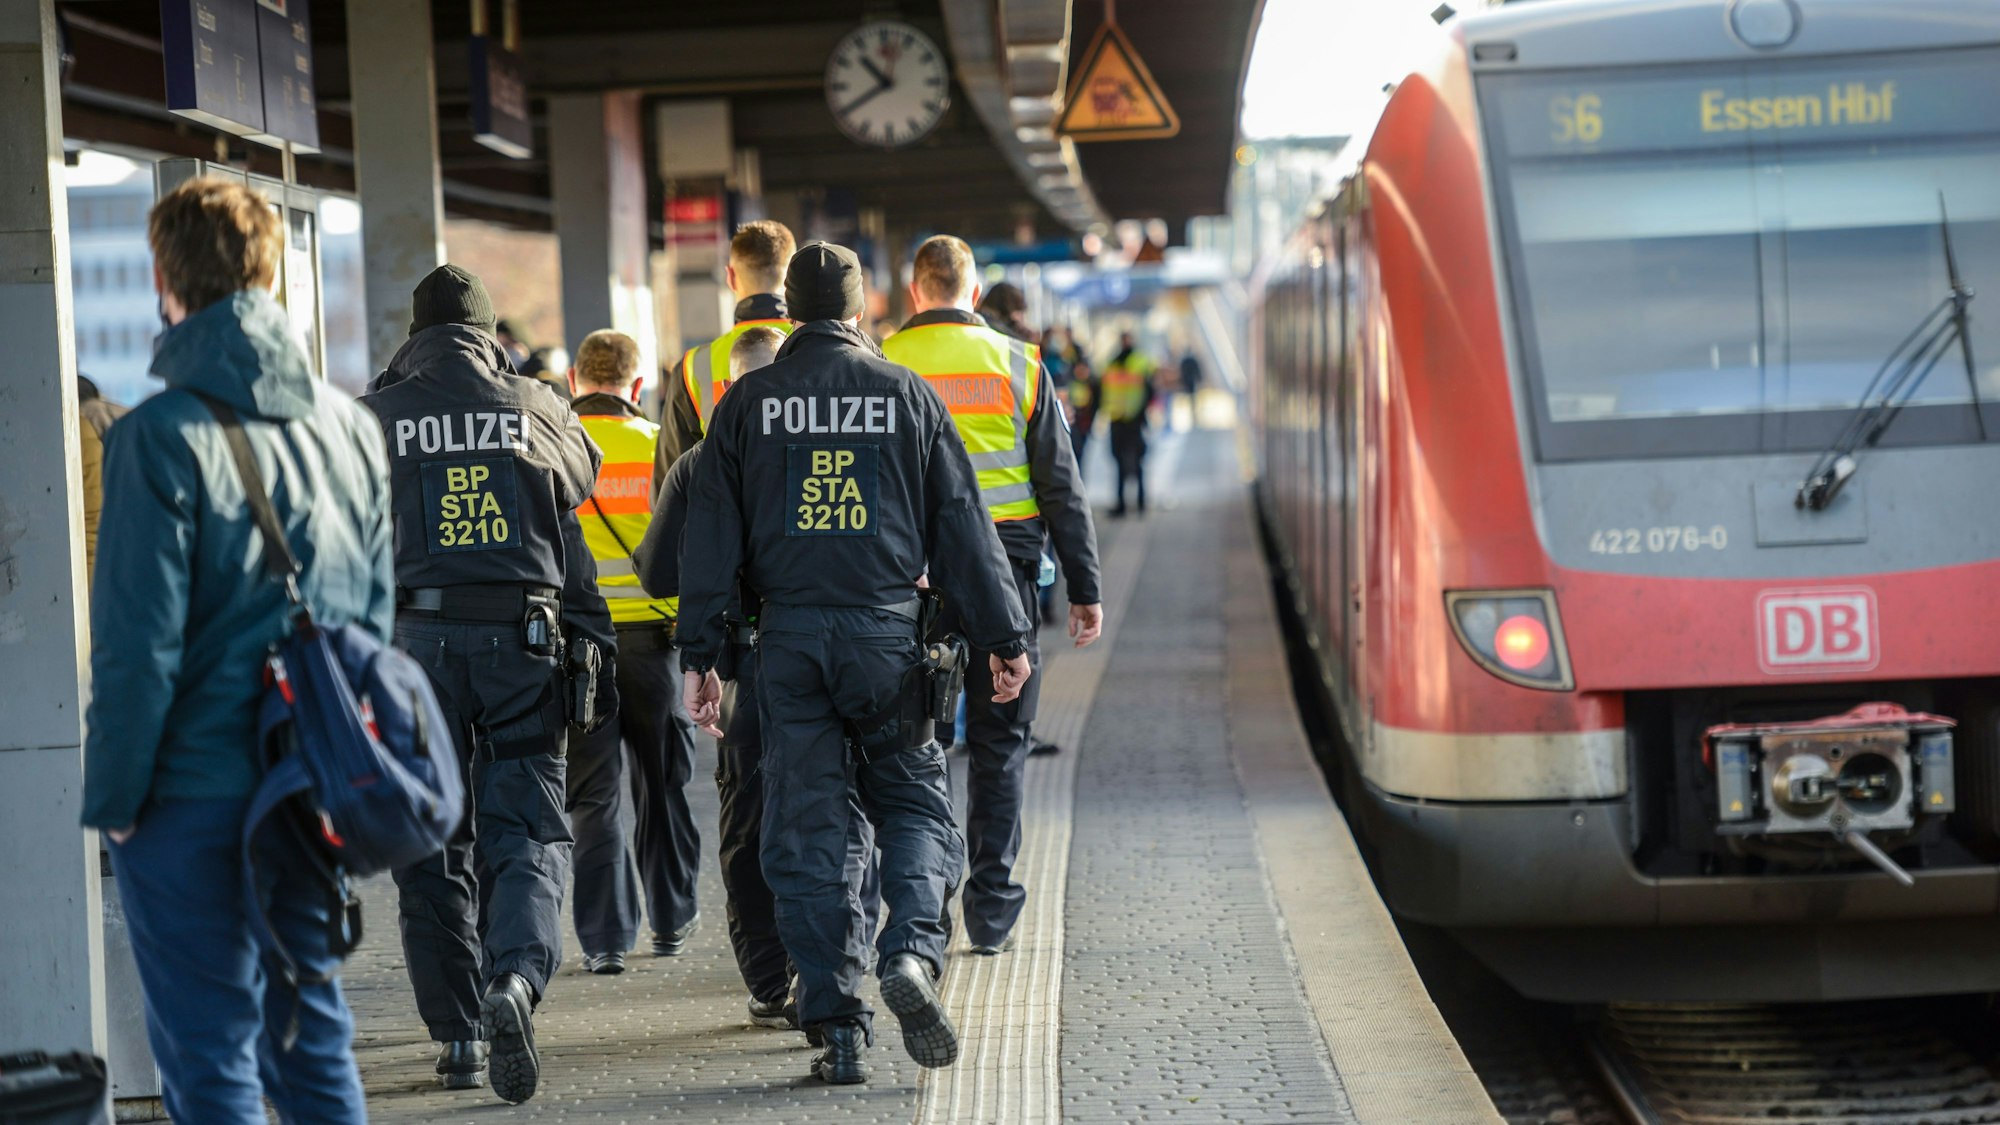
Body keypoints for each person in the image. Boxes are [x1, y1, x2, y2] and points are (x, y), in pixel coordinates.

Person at [677, 242, 1034, 1084]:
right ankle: (910, 950)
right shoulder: (905, 395)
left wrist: (704, 654)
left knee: (808, 829)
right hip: (887, 639)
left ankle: (837, 1023)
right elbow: (961, 523)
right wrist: (1005, 637)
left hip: (789, 646)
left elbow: (709, 539)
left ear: (789, 310)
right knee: (913, 804)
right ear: (860, 309)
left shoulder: (746, 403)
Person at [81, 175, 393, 1125]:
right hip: (303, 787)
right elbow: (373, 626)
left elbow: (138, 647)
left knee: (211, 1055)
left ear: (165, 279)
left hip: (189, 797)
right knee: (310, 1038)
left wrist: (116, 803)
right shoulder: (350, 427)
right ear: (268, 271)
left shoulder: (156, 438)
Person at [360, 265, 601, 1106]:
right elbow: (581, 480)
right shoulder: (535, 405)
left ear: (414, 335)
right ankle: (516, 983)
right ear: (490, 333)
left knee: (429, 836)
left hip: (411, 645)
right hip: (521, 642)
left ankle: (460, 1031)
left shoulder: (374, 416)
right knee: (527, 825)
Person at [633, 325, 882, 1031]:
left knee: (750, 819)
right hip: (834, 660)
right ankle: (832, 967)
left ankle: (771, 978)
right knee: (837, 813)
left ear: (726, 387)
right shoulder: (836, 446)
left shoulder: (703, 460)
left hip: (745, 672)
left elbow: (656, 572)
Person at [883, 235, 1104, 954]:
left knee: (921, 742)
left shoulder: (882, 362)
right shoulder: (1021, 363)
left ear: (917, 292)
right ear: (972, 293)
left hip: (911, 575)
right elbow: (1061, 487)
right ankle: (993, 906)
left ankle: (926, 895)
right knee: (1000, 739)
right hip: (1006, 572)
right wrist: (1085, 586)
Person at [566, 329, 703, 970]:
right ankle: (671, 920)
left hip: (580, 653)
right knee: (664, 786)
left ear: (574, 381)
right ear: (638, 386)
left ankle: (604, 940)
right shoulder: (659, 447)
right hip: (656, 649)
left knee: (593, 795)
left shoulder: (554, 447)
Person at [655, 221, 798, 479]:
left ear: (731, 277)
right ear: (790, 280)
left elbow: (672, 484)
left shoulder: (694, 366)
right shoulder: (817, 349)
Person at [1101, 332, 1157, 518]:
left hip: (1130, 421)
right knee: (1123, 463)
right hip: (1122, 420)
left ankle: (1137, 502)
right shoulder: (1115, 363)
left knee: (1134, 463)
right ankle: (1126, 503)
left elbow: (1149, 390)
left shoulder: (1134, 362)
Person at [1178, 347, 1204, 429]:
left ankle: (1193, 414)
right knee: (1191, 398)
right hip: (1190, 381)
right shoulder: (1190, 360)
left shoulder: (1185, 360)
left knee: (1191, 398)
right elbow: (1196, 370)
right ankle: (1192, 413)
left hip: (1187, 381)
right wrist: (1199, 378)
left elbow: (1182, 370)